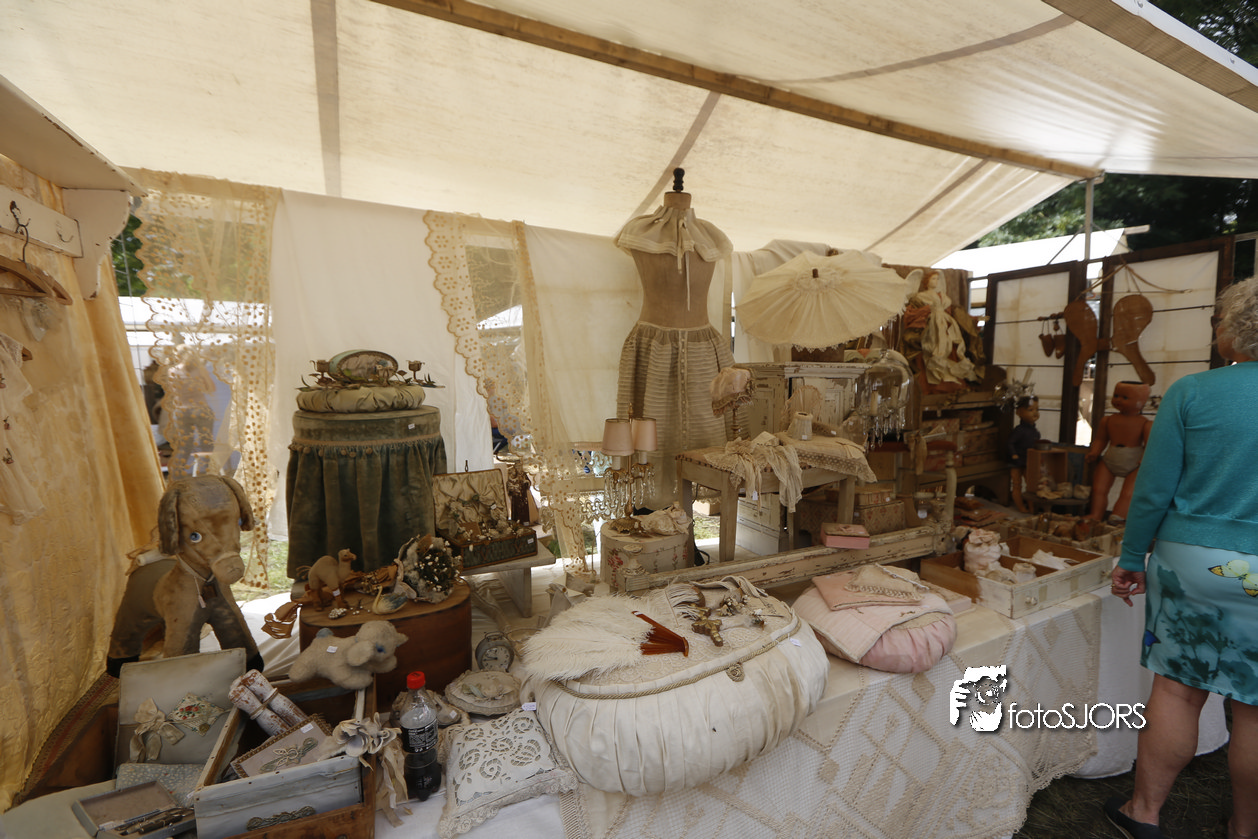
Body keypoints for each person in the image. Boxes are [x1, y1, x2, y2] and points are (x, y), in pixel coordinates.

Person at [1106, 279, 1258, 839]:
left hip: (1189, 561)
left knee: (1176, 691)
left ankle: (1143, 814)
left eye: (1220, 321)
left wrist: (1131, 556)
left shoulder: (1192, 391)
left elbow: (1152, 490)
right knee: (1255, 708)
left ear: (1237, 329)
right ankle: (1245, 830)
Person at [614, 187, 737, 504]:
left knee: (707, 435)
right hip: (651, 349)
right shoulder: (641, 232)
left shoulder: (710, 237)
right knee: (648, 439)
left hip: (705, 351)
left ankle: (692, 512)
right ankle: (652, 515)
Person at [1086, 381, 1153, 523]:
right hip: (1110, 459)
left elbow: (1150, 446)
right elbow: (1101, 439)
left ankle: (1118, 516)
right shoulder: (1108, 420)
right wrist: (1095, 452)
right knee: (1098, 489)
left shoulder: (1145, 423)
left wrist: (1145, 459)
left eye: (1125, 397)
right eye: (1116, 396)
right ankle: (1096, 514)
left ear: (1141, 402)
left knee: (1128, 493)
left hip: (1134, 463)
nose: (1118, 400)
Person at [1006, 395, 1041, 512]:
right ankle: (1021, 507)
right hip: (1016, 462)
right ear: (1019, 412)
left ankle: (1032, 507)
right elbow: (1010, 443)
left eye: (1037, 409)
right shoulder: (1019, 430)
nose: (1035, 413)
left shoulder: (1035, 432)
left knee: (1031, 485)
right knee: (1017, 484)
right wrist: (1014, 454)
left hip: (1028, 461)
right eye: (1030, 410)